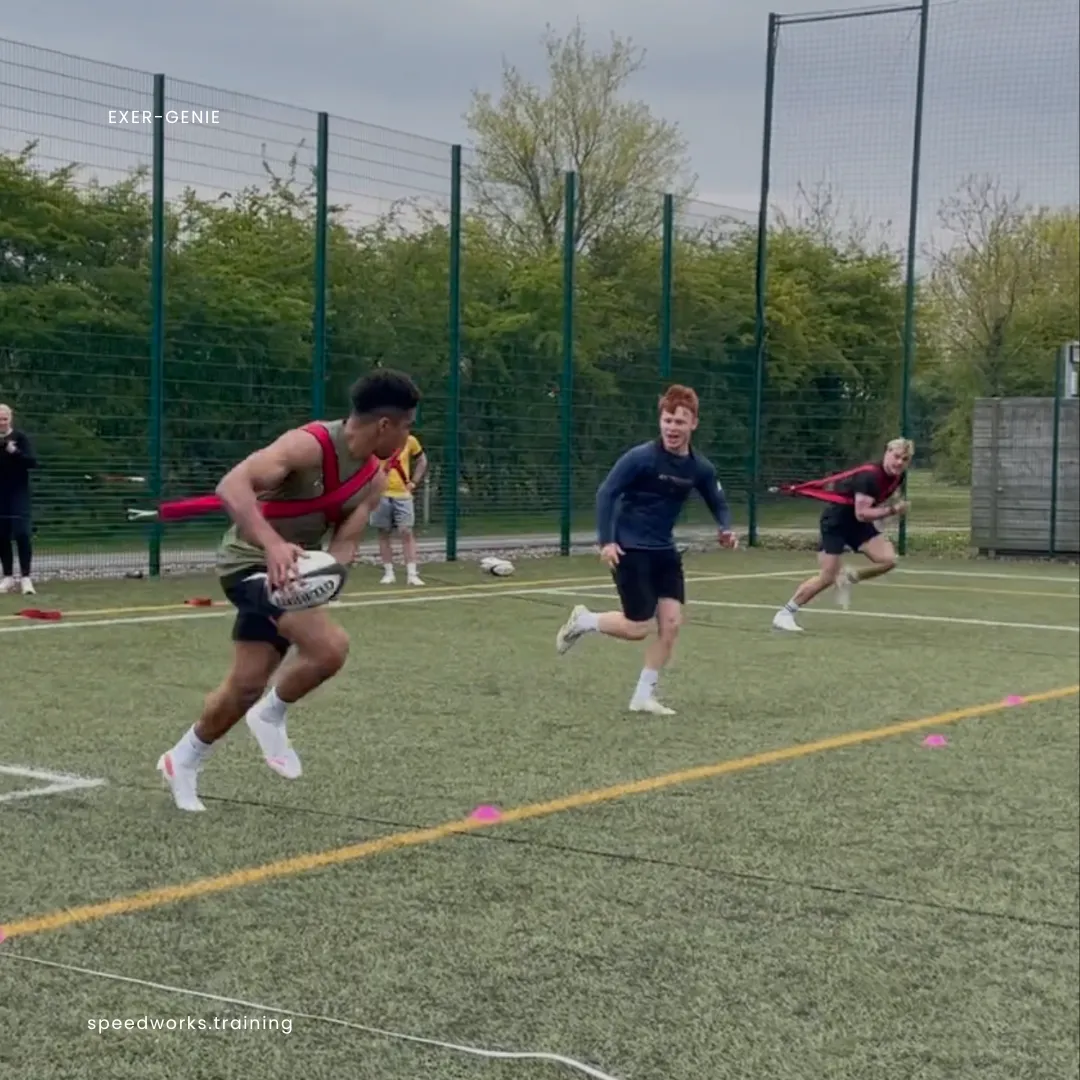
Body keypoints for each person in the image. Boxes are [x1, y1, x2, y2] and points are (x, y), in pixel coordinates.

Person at [157, 369, 421, 812]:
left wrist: (331, 575)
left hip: (294, 576)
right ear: (384, 425)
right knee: (330, 648)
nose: (408, 436)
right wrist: (274, 545)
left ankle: (181, 759)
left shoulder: (374, 480)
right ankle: (270, 714)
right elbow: (231, 486)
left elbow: (346, 542)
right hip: (247, 564)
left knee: (245, 686)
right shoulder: (308, 445)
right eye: (407, 426)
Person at [554, 385, 738, 715]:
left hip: (665, 551)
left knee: (672, 624)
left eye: (680, 422)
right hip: (630, 549)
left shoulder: (700, 467)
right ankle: (585, 620)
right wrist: (607, 541)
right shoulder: (640, 458)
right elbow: (606, 493)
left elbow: (718, 500)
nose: (672, 428)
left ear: (693, 423)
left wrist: (725, 528)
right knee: (637, 628)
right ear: (660, 421)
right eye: (667, 420)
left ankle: (643, 697)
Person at [771, 437, 913, 633]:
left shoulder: (899, 476)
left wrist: (892, 508)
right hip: (837, 522)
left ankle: (848, 577)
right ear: (887, 452)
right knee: (827, 577)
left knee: (889, 560)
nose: (899, 462)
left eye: (905, 459)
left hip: (858, 524)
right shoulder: (869, 477)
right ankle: (785, 614)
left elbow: (883, 499)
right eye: (896, 456)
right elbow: (862, 513)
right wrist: (892, 511)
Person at [374, 430, 427, 586]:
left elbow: (422, 460)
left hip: (403, 493)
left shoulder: (410, 440)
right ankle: (388, 573)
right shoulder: (377, 439)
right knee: (383, 532)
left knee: (406, 531)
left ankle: (412, 574)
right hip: (381, 493)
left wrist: (414, 482)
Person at [0, 403, 37, 596]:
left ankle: (26, 578)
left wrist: (15, 452)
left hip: (19, 492)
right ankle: (7, 577)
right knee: (2, 535)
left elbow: (32, 462)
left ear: (10, 419)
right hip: (1, 494)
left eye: (4, 419)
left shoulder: (20, 438)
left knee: (22, 533)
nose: (2, 422)